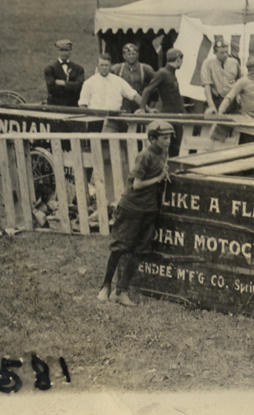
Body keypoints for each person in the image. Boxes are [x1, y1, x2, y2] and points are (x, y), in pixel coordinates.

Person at [97, 119, 174, 307]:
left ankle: (120, 291)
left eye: (169, 137)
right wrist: (158, 178)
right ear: (152, 139)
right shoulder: (144, 155)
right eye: (164, 138)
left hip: (149, 209)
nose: (168, 141)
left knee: (141, 250)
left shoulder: (163, 152)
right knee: (120, 247)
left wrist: (163, 174)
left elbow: (160, 171)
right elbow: (137, 184)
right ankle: (105, 287)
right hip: (132, 207)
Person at [79, 55, 145, 112]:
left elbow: (134, 95)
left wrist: (148, 109)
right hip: (95, 118)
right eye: (102, 65)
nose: (104, 68)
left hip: (113, 118)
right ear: (97, 65)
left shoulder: (118, 81)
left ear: (110, 65)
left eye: (106, 65)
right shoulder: (89, 83)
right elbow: (83, 104)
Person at [111, 43, 156, 113]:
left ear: (137, 55)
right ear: (124, 56)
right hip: (123, 103)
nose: (131, 56)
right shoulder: (118, 68)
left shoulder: (145, 68)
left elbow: (157, 80)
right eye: (129, 54)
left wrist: (152, 103)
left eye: (133, 54)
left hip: (140, 103)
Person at [200, 39, 241, 115]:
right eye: (221, 53)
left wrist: (239, 96)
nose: (225, 55)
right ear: (215, 53)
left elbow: (239, 81)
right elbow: (207, 86)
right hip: (216, 99)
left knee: (229, 124)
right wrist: (211, 106)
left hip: (231, 100)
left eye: (226, 52)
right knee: (202, 123)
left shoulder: (234, 62)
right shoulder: (208, 63)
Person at [140, 48, 185, 115]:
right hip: (168, 115)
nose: (182, 62)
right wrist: (142, 109)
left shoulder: (171, 73)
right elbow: (147, 90)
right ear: (178, 59)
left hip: (176, 114)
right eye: (182, 60)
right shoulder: (162, 73)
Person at [44, 39, 85, 107]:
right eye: (61, 50)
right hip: (55, 105)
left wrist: (63, 83)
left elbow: (80, 86)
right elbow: (52, 89)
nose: (64, 53)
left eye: (66, 50)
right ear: (57, 51)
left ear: (70, 51)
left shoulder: (78, 68)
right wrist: (72, 86)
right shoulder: (50, 68)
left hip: (73, 104)